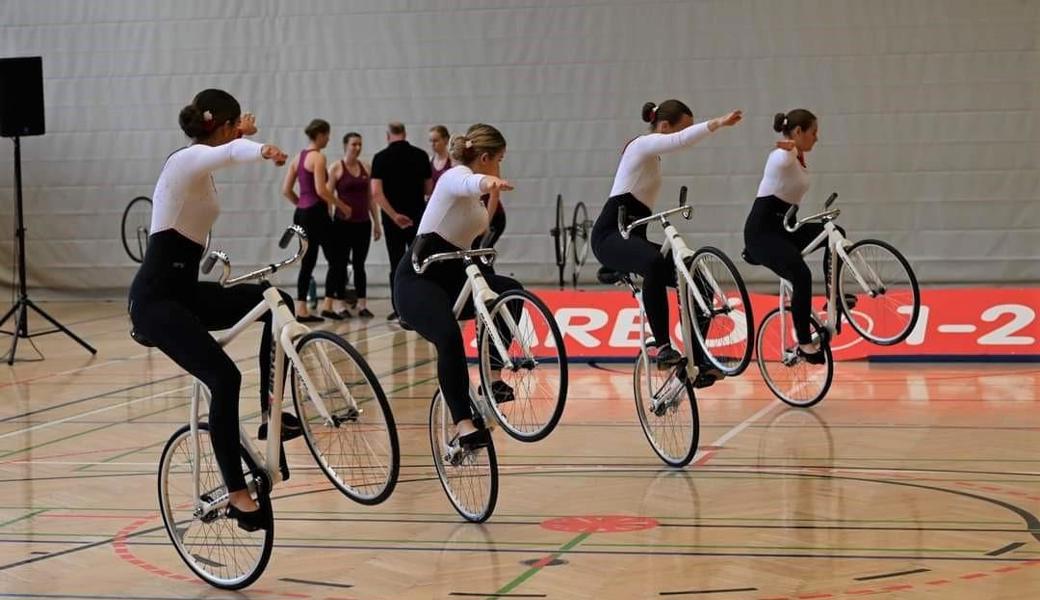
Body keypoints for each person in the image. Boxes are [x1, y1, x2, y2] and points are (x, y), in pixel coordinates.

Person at [128, 89, 298, 531]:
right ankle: (238, 493)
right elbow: (230, 153)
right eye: (231, 126)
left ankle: (270, 411)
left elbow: (227, 146)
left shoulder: (208, 156)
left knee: (272, 300)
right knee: (224, 376)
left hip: (185, 293)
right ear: (219, 127)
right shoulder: (185, 161)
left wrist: (240, 132)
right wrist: (260, 148)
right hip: (155, 302)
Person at [591, 99, 742, 381]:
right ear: (663, 127)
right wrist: (717, 123)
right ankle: (663, 348)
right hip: (609, 236)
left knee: (698, 278)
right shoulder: (641, 145)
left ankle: (697, 361)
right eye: (678, 129)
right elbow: (683, 140)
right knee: (653, 261)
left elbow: (680, 139)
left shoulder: (652, 157)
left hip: (631, 238)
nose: (680, 136)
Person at [394, 123, 520, 449]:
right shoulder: (454, 177)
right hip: (418, 279)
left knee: (509, 292)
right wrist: (488, 181)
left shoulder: (475, 198)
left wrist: (489, 189)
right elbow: (467, 181)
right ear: (485, 156)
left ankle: (492, 380)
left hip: (453, 276)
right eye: (499, 160)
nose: (500, 167)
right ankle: (463, 424)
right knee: (449, 337)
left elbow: (474, 229)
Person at [744, 109, 844, 364]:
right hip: (762, 235)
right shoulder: (782, 156)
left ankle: (836, 298)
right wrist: (787, 148)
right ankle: (803, 342)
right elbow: (781, 156)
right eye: (813, 132)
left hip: (785, 230)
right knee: (801, 275)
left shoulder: (796, 157)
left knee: (834, 233)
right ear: (798, 132)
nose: (817, 138)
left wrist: (792, 150)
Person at [281, 119, 352, 322]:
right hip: (317, 213)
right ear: (320, 134)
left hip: (302, 214)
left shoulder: (297, 158)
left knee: (307, 262)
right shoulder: (318, 158)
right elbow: (321, 190)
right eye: (327, 135)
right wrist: (342, 205)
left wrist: (301, 205)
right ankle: (328, 305)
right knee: (337, 259)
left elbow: (286, 190)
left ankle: (302, 309)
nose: (329, 139)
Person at [370, 122, 433, 321]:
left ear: (388, 136)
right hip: (417, 218)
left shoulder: (380, 158)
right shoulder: (421, 155)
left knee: (396, 264)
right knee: (419, 263)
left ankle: (399, 309)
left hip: (393, 221)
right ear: (405, 133)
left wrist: (394, 215)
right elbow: (428, 190)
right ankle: (422, 305)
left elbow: (376, 193)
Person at [327, 132, 380, 318]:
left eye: (359, 144)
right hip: (342, 224)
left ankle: (362, 304)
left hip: (362, 223)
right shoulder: (336, 168)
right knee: (340, 264)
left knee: (360, 265)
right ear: (345, 145)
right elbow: (328, 196)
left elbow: (370, 198)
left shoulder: (366, 167)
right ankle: (340, 304)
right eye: (354, 144)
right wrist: (330, 219)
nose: (357, 148)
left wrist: (377, 223)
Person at [428, 124, 452, 190]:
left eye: (436, 141)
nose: (432, 144)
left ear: (446, 140)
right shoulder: (429, 161)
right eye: (430, 141)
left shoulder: (452, 161)